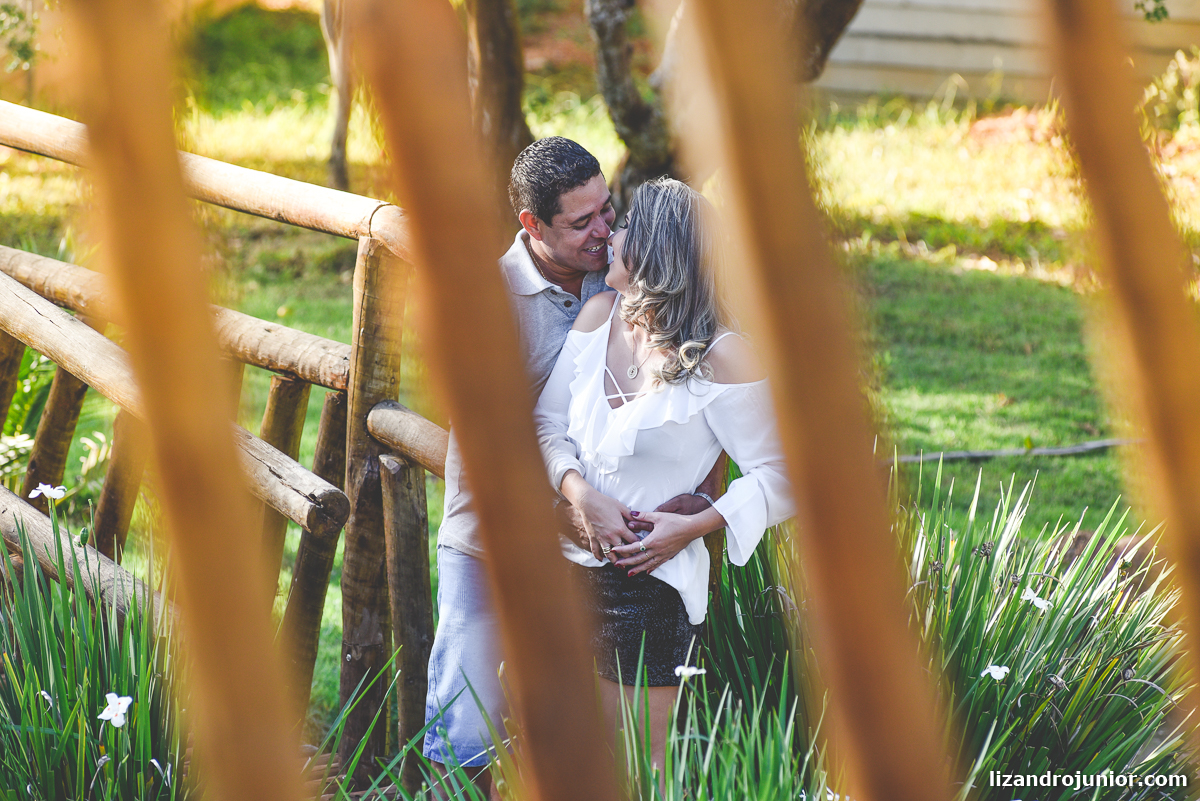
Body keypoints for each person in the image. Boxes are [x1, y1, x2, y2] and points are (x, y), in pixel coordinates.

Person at [422, 139, 721, 796]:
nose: (604, 232)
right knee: (468, 727)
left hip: (598, 555)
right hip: (492, 543)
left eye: (606, 213)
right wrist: (577, 507)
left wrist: (698, 500)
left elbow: (695, 392)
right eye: (582, 223)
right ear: (532, 225)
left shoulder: (616, 277)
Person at [533, 177, 795, 773]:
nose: (610, 236)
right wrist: (580, 497)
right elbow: (547, 426)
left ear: (655, 249)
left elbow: (785, 475)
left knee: (639, 767)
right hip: (560, 564)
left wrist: (694, 527)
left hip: (646, 583)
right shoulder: (600, 315)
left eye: (623, 225)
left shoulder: (722, 355)